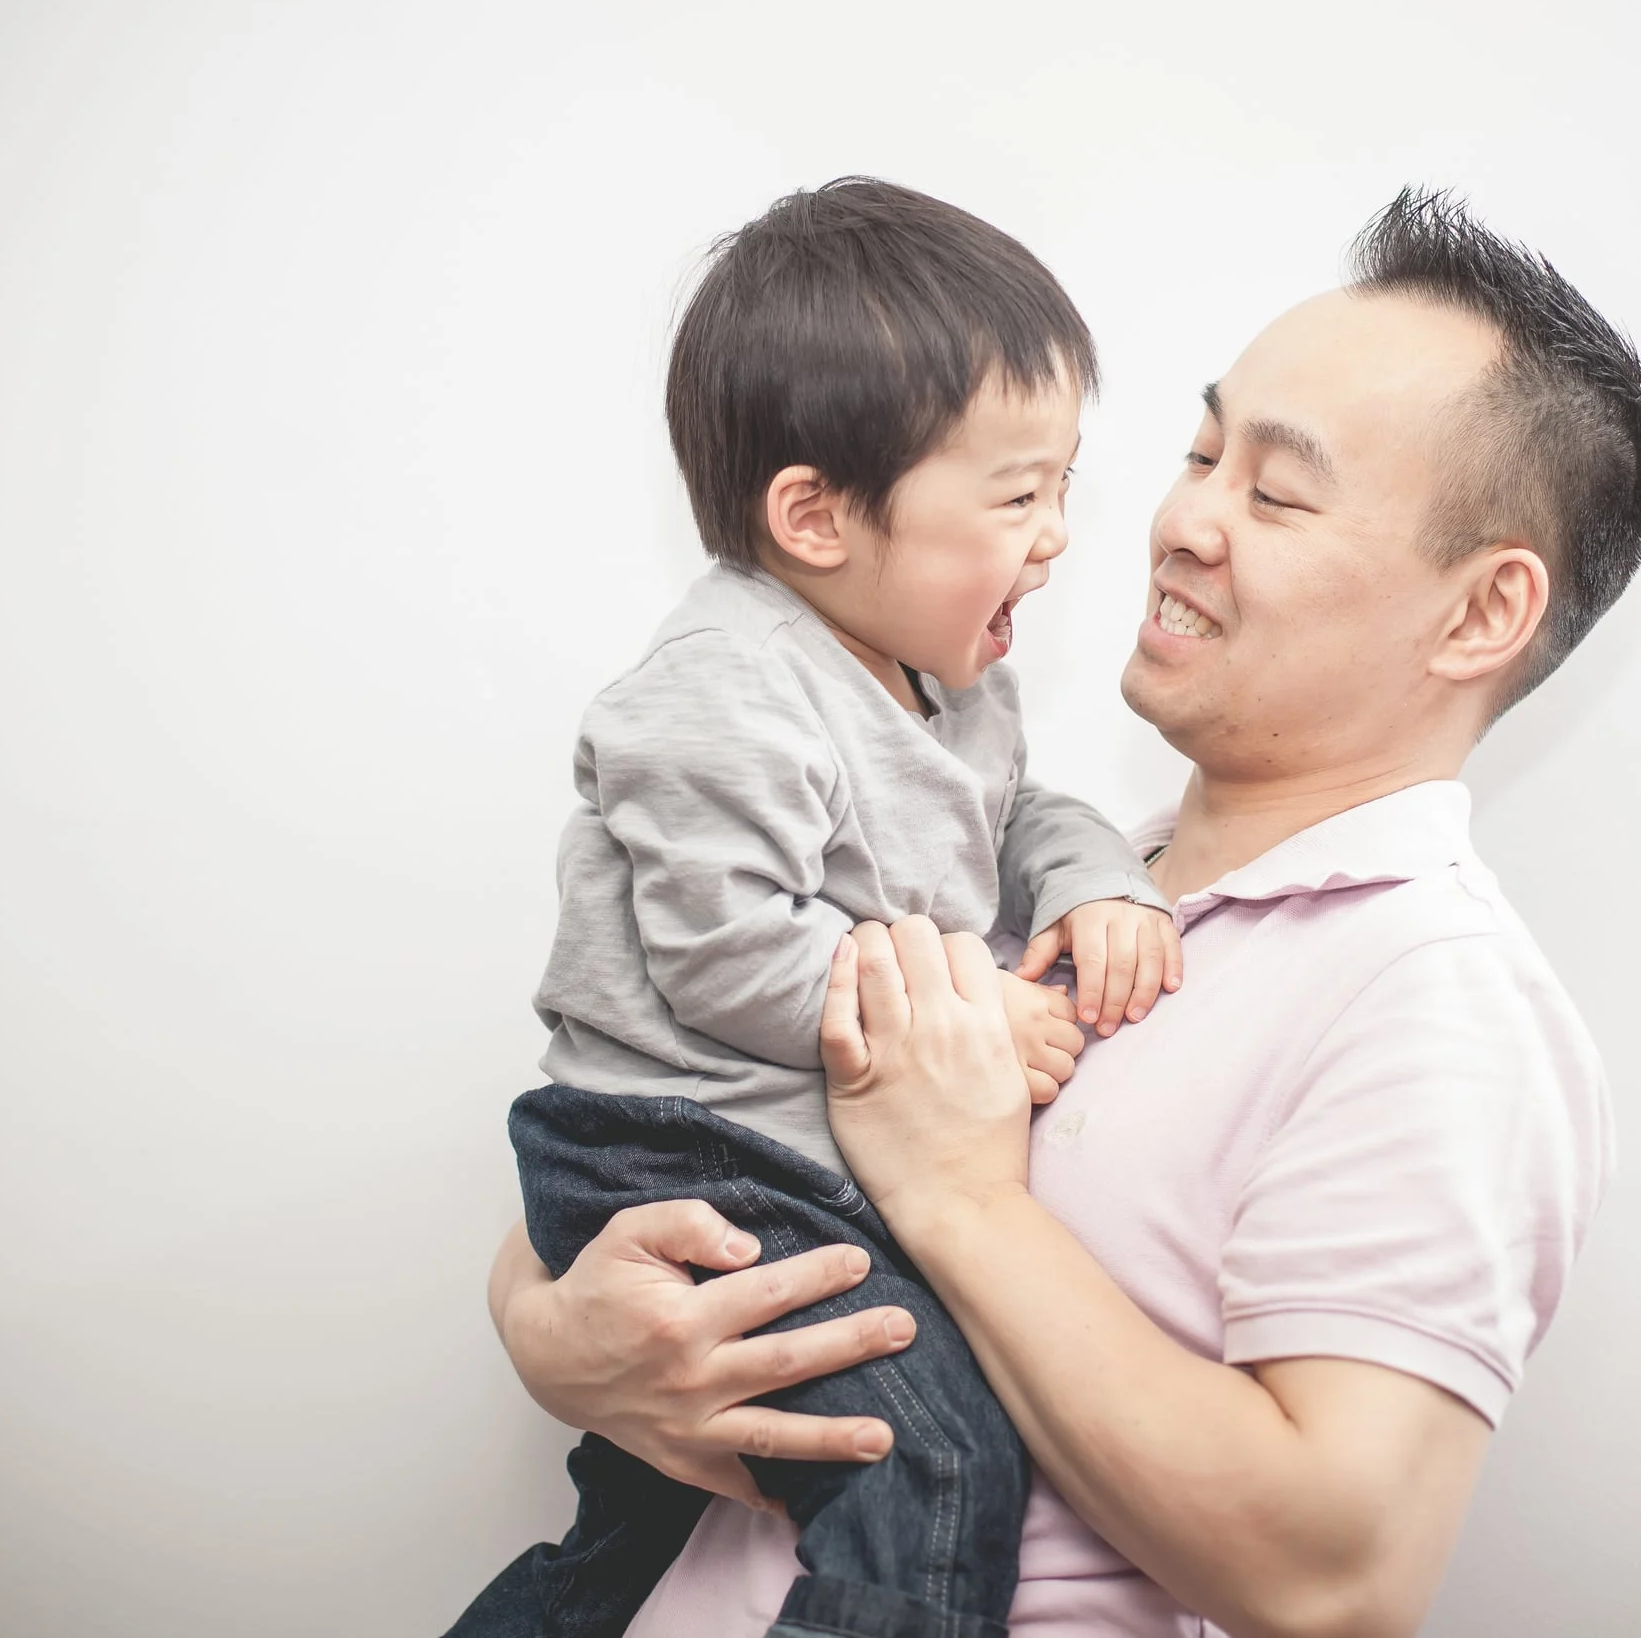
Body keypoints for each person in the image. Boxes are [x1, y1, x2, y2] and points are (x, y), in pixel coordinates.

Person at [482, 189, 1641, 1637]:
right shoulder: (1075, 872)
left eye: (1276, 495)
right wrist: (549, 1328)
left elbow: (1338, 1577)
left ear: (1480, 614)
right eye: (1202, 453)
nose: (1181, 520)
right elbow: (686, 1116)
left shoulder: (1435, 1000)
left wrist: (964, 1196)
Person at [446, 179, 1183, 1638]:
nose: (1056, 536)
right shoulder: (726, 687)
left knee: (642, 1530)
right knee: (938, 1466)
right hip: (680, 1149)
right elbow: (724, 954)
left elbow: (1010, 816)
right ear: (817, 516)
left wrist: (1097, 876)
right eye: (1017, 495)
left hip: (769, 1152)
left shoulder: (950, 679)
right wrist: (971, 1022)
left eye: (1064, 487)